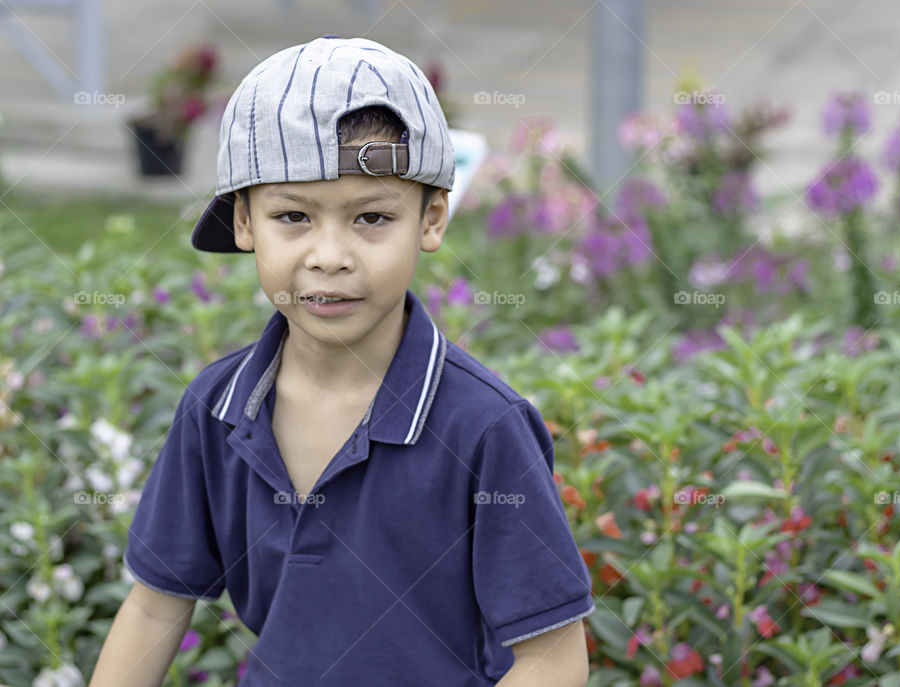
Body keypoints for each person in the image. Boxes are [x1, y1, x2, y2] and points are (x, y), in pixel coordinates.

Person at [90, 35, 594, 686]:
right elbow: (155, 609)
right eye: (293, 215)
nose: (330, 254)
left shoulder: (484, 426)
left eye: (372, 218)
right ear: (244, 222)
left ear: (432, 219)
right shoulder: (216, 408)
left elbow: (554, 656)